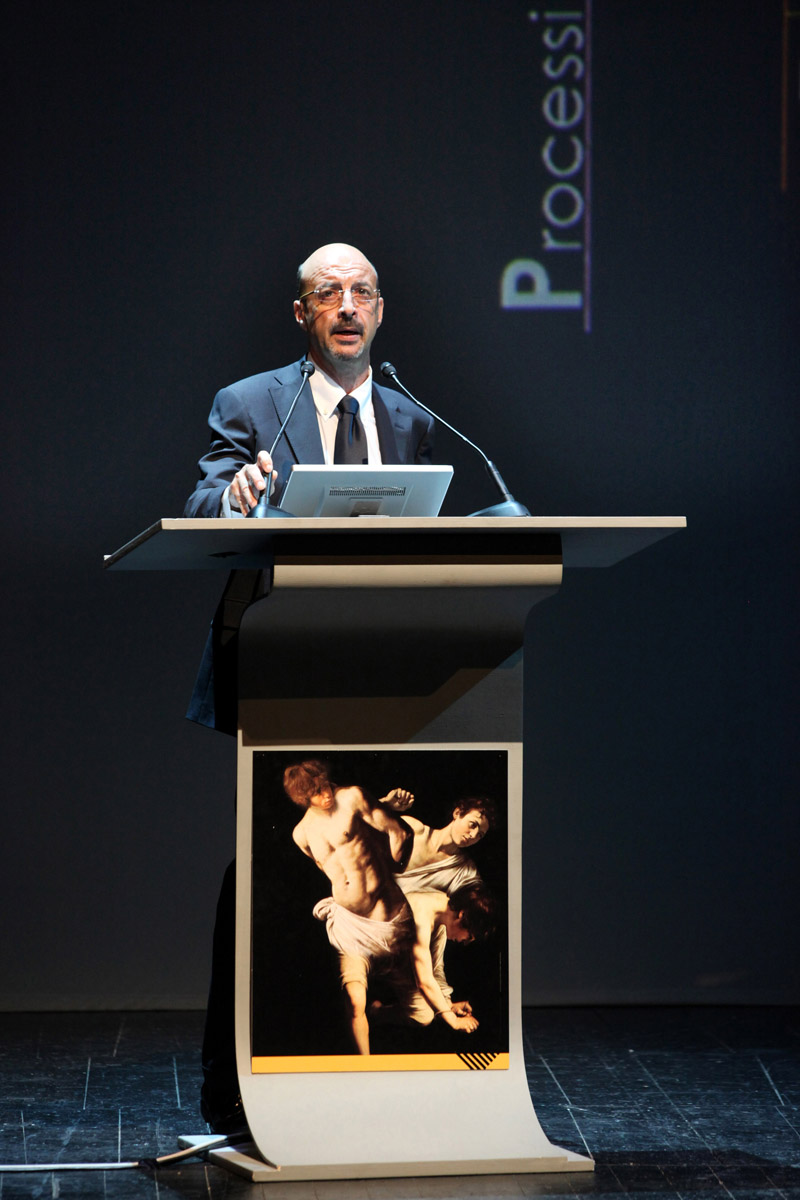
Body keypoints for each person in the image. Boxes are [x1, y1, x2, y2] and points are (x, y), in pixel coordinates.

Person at [192, 245, 436, 1132]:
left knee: (374, 869)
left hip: (381, 667)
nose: (346, 305)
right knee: (267, 864)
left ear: (380, 311)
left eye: (361, 291)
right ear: (303, 314)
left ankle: (355, 1070)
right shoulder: (253, 402)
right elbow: (206, 501)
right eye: (327, 293)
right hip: (279, 661)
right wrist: (234, 495)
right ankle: (234, 1080)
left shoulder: (410, 418)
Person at [284, 761, 414, 1054]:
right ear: (303, 798)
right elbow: (331, 868)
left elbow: (398, 833)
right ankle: (364, 1067)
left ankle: (386, 1016)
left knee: (421, 1012)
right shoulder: (300, 833)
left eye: (325, 786)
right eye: (316, 793)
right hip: (349, 925)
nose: (325, 795)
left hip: (386, 915)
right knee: (354, 1002)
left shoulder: (352, 795)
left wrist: (394, 872)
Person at [371, 882, 497, 1033]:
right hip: (377, 953)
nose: (464, 942)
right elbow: (424, 981)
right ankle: (376, 1013)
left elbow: (435, 966)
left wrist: (448, 1005)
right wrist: (454, 1021)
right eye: (469, 936)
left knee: (429, 1008)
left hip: (400, 951)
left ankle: (377, 1012)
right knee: (423, 1015)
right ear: (462, 915)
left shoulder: (442, 911)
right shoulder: (420, 916)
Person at [395, 798, 496, 896]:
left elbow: (475, 900)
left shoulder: (465, 870)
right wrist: (387, 805)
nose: (473, 835)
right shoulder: (412, 829)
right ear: (457, 813)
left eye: (479, 835)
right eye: (473, 825)